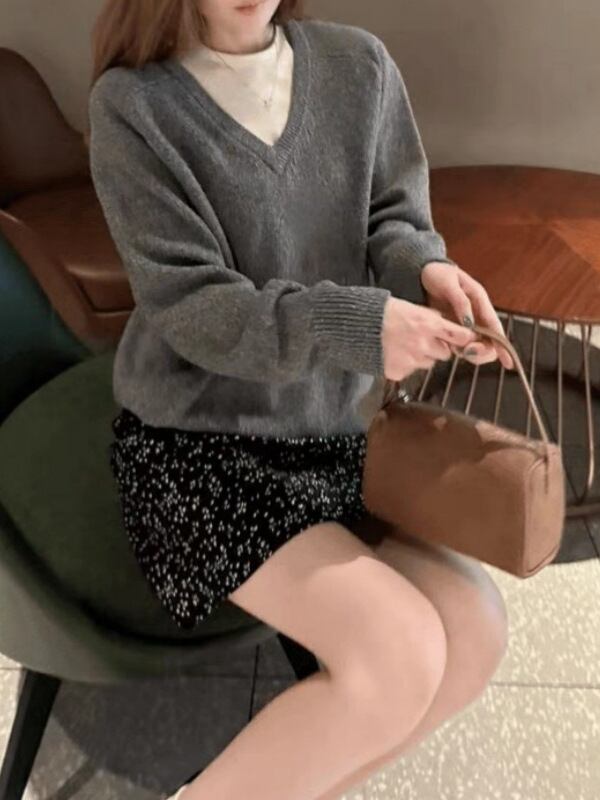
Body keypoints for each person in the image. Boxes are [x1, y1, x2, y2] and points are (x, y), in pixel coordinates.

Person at [86, 2, 513, 798]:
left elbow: (393, 217)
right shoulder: (134, 106)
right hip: (199, 446)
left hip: (333, 432)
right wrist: (358, 326)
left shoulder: (359, 66)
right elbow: (194, 309)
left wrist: (425, 270)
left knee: (475, 632)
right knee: (399, 655)